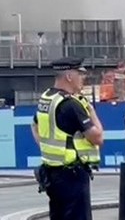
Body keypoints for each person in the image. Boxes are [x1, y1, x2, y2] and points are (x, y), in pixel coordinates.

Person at [32, 57, 105, 220]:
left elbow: (34, 126)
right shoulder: (71, 104)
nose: (83, 78)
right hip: (72, 175)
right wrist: (91, 111)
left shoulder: (47, 98)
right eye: (80, 74)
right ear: (69, 76)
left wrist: (47, 149)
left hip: (52, 174)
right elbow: (98, 138)